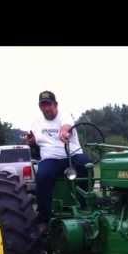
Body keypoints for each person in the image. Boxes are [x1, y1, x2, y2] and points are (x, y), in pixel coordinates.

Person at [27, 90, 91, 226]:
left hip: (71, 154)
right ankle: (45, 215)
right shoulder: (36, 123)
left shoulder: (65, 115)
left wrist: (64, 132)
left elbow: (66, 126)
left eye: (48, 104)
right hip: (50, 158)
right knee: (43, 175)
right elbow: (35, 141)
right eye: (43, 105)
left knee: (86, 165)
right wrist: (31, 142)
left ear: (55, 104)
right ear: (40, 107)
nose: (46, 108)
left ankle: (85, 205)